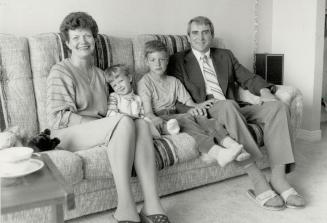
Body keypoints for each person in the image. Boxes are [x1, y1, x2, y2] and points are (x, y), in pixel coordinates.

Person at [167, 16, 306, 210]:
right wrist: (191, 109)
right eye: (195, 33)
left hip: (234, 106)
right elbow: (174, 94)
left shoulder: (224, 55)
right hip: (208, 111)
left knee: (278, 107)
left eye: (205, 32)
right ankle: (257, 179)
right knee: (227, 105)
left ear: (212, 35)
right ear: (188, 37)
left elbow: (247, 77)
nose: (200, 37)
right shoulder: (178, 60)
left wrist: (266, 92)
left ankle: (279, 178)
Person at [46, 12, 171, 223]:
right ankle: (125, 207)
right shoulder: (61, 71)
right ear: (67, 43)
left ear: (94, 38)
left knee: (139, 123)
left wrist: (112, 123)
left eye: (86, 36)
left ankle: (152, 205)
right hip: (65, 134)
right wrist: (106, 125)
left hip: (101, 129)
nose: (82, 41)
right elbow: (58, 118)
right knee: (123, 122)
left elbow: (113, 108)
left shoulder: (100, 74)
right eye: (75, 37)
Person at [137, 40, 251, 168]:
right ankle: (216, 152)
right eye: (153, 60)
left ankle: (235, 147)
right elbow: (148, 113)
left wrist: (201, 106)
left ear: (167, 60)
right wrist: (155, 119)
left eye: (162, 59)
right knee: (187, 121)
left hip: (176, 114)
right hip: (161, 119)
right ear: (146, 62)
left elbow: (190, 103)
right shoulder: (145, 82)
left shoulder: (174, 81)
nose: (158, 64)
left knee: (204, 119)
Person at [104, 64, 180, 137]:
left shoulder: (138, 98)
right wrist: (126, 118)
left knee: (148, 122)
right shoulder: (114, 96)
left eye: (120, 81)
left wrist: (144, 120)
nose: (119, 86)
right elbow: (111, 113)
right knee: (142, 126)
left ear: (129, 78)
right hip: (122, 124)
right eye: (114, 85)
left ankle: (168, 128)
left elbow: (142, 114)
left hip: (138, 124)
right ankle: (160, 130)